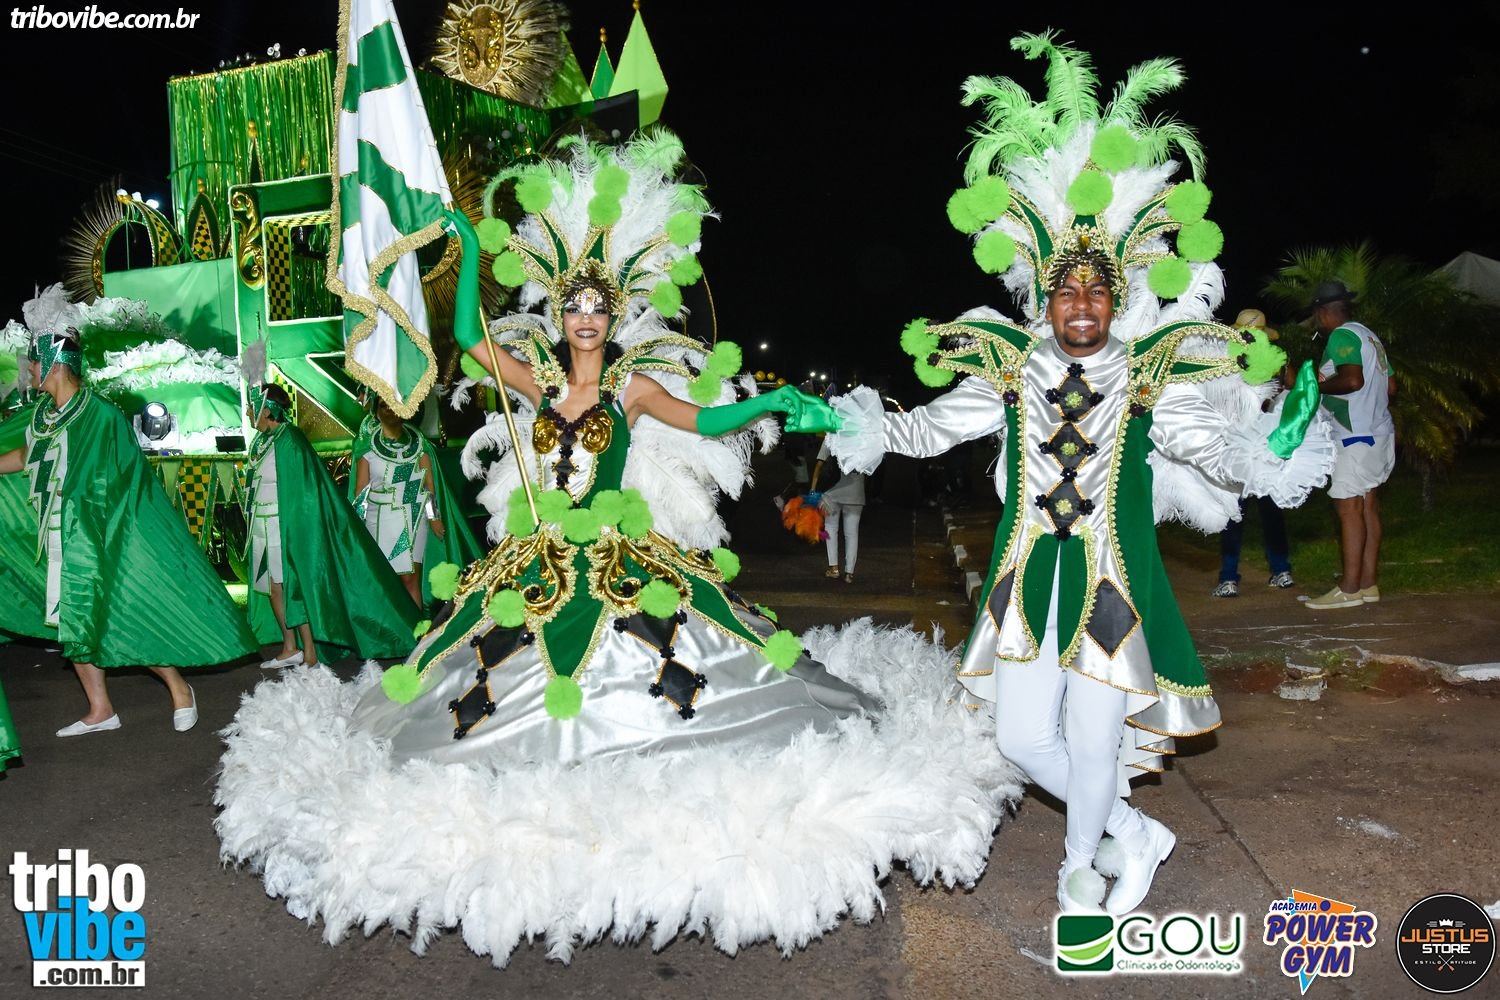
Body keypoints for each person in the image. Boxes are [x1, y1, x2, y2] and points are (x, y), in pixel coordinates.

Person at [217, 132, 1015, 963]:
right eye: (575, 308)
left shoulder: (632, 387)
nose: (587, 319)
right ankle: (524, 796)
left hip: (620, 557)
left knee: (666, 655)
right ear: (559, 315)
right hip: (535, 552)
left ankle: (642, 786)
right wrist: (460, 244)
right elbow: (468, 336)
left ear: (614, 315)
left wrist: (771, 402)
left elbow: (704, 420)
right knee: (480, 665)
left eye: (599, 309)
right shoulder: (537, 380)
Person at [828, 35, 1332, 915]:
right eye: (1067, 292)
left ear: (1117, 299)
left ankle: (1079, 869)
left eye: (1098, 292)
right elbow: (929, 429)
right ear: (1045, 298)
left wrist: (1270, 450)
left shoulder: (1148, 373)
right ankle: (1133, 832)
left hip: (1113, 588)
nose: (1083, 305)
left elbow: (1208, 448)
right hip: (1027, 585)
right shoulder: (1010, 365)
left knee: (1095, 743)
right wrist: (857, 423)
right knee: (1025, 739)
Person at [0, 325, 258, 735]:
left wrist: (97, 520)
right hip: (59, 536)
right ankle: (100, 709)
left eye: (34, 361)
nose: (29, 369)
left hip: (101, 537)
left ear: (53, 364)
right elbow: (26, 454)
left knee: (120, 613)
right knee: (72, 620)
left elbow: (123, 481)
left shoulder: (100, 414)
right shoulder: (43, 415)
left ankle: (179, 688)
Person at [243, 379, 422, 668]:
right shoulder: (261, 442)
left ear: (267, 409)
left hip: (284, 524)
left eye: (252, 407)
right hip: (261, 524)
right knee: (274, 588)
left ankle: (310, 652)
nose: (249, 413)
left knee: (293, 585)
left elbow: (305, 487)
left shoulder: (290, 439)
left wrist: (296, 526)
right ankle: (289, 647)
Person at [1301, 280, 1395, 610]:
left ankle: (1349, 589)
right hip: (1379, 433)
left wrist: (1313, 387)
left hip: (1354, 436)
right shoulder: (1369, 336)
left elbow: (1353, 380)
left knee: (1349, 510)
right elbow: (1391, 387)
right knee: (1368, 508)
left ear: (1323, 312)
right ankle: (1368, 584)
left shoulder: (1341, 336)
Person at [350, 397, 482, 609]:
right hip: (378, 519)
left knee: (411, 577)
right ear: (375, 411)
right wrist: (357, 526)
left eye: (394, 405)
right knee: (386, 579)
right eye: (384, 406)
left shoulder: (419, 444)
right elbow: (360, 490)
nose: (390, 411)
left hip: (413, 517)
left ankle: (417, 627)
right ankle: (396, 626)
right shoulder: (366, 447)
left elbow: (429, 486)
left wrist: (434, 517)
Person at [1214, 309, 1296, 596]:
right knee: (1258, 509)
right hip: (1254, 441)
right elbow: (1292, 384)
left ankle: (1232, 578)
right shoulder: (1266, 359)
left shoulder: (1234, 360)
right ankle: (1278, 570)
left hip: (1245, 442)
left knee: (1240, 510)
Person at [809, 433, 865, 582]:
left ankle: (833, 568)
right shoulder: (862, 438)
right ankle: (849, 573)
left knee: (831, 528)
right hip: (855, 491)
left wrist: (813, 489)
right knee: (851, 533)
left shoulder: (831, 436)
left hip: (831, 492)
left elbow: (819, 464)